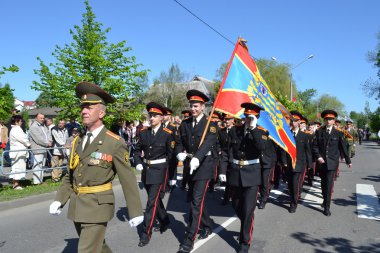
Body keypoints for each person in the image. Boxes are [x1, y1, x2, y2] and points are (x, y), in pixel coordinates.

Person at [48, 82, 144, 253]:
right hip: (78, 206)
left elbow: (127, 178)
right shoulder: (78, 140)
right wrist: (59, 199)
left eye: (89, 108)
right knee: (99, 248)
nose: (84, 111)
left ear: (101, 112)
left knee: (87, 250)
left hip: (98, 206)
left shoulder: (114, 142)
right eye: (83, 107)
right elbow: (71, 174)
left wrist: (135, 210)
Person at [175, 90, 217, 253]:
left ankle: (189, 239)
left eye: (196, 106)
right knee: (195, 199)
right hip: (188, 166)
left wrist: (197, 157)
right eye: (191, 105)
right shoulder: (185, 124)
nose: (193, 108)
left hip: (204, 167)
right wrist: (179, 152)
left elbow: (208, 143)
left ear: (203, 106)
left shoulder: (210, 124)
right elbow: (178, 141)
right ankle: (207, 224)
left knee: (196, 201)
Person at [223, 102, 268, 253]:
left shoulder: (262, 132)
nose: (248, 119)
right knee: (236, 206)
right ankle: (246, 225)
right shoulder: (235, 130)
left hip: (252, 174)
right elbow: (227, 151)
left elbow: (261, 147)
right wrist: (224, 170)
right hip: (235, 172)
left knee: (248, 210)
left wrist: (254, 128)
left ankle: (244, 242)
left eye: (252, 116)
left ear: (257, 117)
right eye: (247, 116)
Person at [133, 102, 174, 247]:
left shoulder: (167, 134)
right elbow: (137, 150)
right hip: (146, 170)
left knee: (151, 203)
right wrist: (138, 161)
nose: (151, 118)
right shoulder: (144, 133)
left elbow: (171, 156)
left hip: (159, 171)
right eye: (150, 115)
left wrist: (169, 175)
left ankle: (146, 233)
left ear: (162, 118)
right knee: (155, 200)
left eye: (155, 116)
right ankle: (164, 220)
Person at [313, 109, 352, 216]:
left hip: (332, 163)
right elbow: (315, 146)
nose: (328, 121)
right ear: (324, 120)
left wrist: (348, 160)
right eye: (326, 119)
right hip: (322, 163)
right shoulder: (319, 132)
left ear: (334, 121)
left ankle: (327, 207)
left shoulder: (339, 133)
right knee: (323, 184)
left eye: (330, 119)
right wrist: (318, 157)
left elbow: (343, 147)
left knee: (329, 185)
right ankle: (325, 200)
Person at [286, 111, 312, 213]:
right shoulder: (287, 134)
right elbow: (284, 149)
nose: (293, 123)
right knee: (290, 185)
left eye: (296, 121)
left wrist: (310, 164)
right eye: (292, 120)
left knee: (296, 184)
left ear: (299, 122)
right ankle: (293, 198)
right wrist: (283, 161)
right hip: (288, 163)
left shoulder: (304, 136)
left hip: (299, 164)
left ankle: (293, 203)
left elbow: (308, 151)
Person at [28, 113, 52, 185]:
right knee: (37, 165)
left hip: (44, 148)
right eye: (40, 118)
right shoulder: (33, 127)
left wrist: (50, 141)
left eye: (43, 118)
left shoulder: (44, 126)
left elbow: (48, 134)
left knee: (42, 165)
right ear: (36, 118)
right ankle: (36, 182)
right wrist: (47, 143)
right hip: (38, 149)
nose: (42, 119)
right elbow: (38, 139)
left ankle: (40, 180)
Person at [9, 115, 31, 189]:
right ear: (16, 121)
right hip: (18, 152)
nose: (21, 122)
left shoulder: (16, 129)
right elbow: (23, 138)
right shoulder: (16, 129)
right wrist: (28, 144)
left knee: (18, 168)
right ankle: (16, 185)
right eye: (20, 121)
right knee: (17, 168)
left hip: (19, 152)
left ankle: (16, 183)